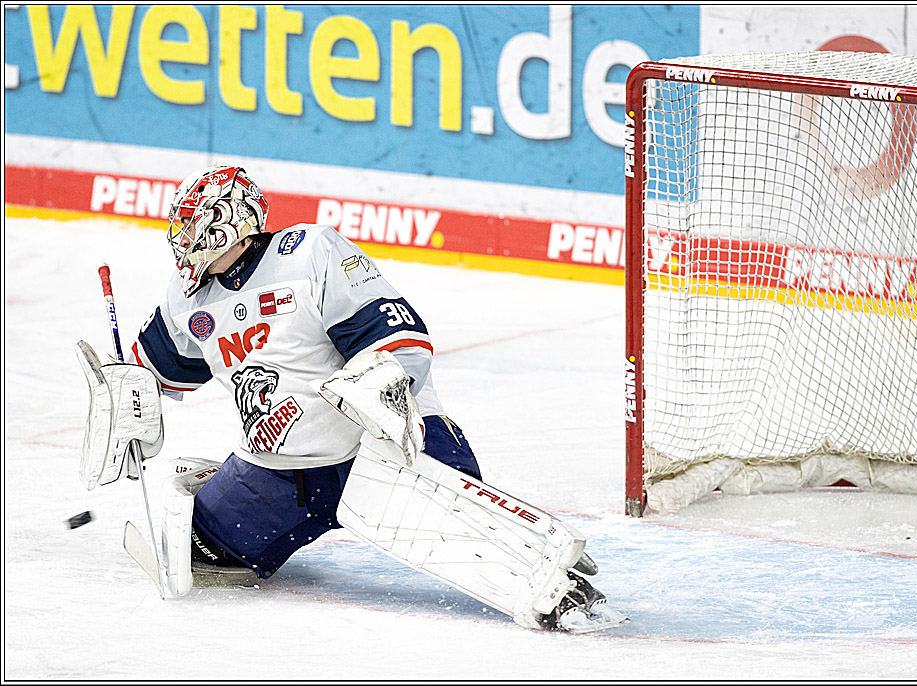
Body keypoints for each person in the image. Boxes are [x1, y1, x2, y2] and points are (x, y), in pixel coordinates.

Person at [98, 164, 623, 633]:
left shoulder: (308, 254)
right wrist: (127, 398)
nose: (185, 239)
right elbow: (156, 373)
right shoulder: (190, 297)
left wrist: (379, 395)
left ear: (231, 222)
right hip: (279, 473)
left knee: (500, 559)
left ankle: (549, 574)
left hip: (379, 450)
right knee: (203, 548)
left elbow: (401, 342)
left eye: (196, 226)